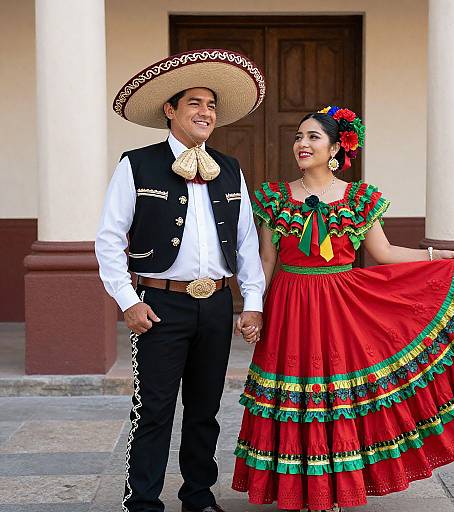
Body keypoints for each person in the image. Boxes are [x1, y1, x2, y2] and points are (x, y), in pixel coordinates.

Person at [231, 106, 454, 511]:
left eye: (312, 137)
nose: (302, 144)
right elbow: (266, 260)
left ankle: (333, 491)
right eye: (298, 136)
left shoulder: (358, 198)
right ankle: (296, 489)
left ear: (334, 148)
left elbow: (383, 253)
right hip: (289, 305)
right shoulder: (275, 197)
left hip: (340, 306)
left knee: (336, 395)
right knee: (294, 394)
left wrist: (437, 255)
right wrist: (252, 308)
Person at [95, 49, 266, 512]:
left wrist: (252, 301)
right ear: (170, 110)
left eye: (210, 105)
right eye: (193, 103)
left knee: (205, 411)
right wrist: (128, 301)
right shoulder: (137, 164)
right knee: (153, 410)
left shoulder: (230, 168)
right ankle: (144, 503)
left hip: (214, 304)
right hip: (158, 305)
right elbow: (108, 239)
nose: (205, 112)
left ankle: (199, 496)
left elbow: (247, 241)